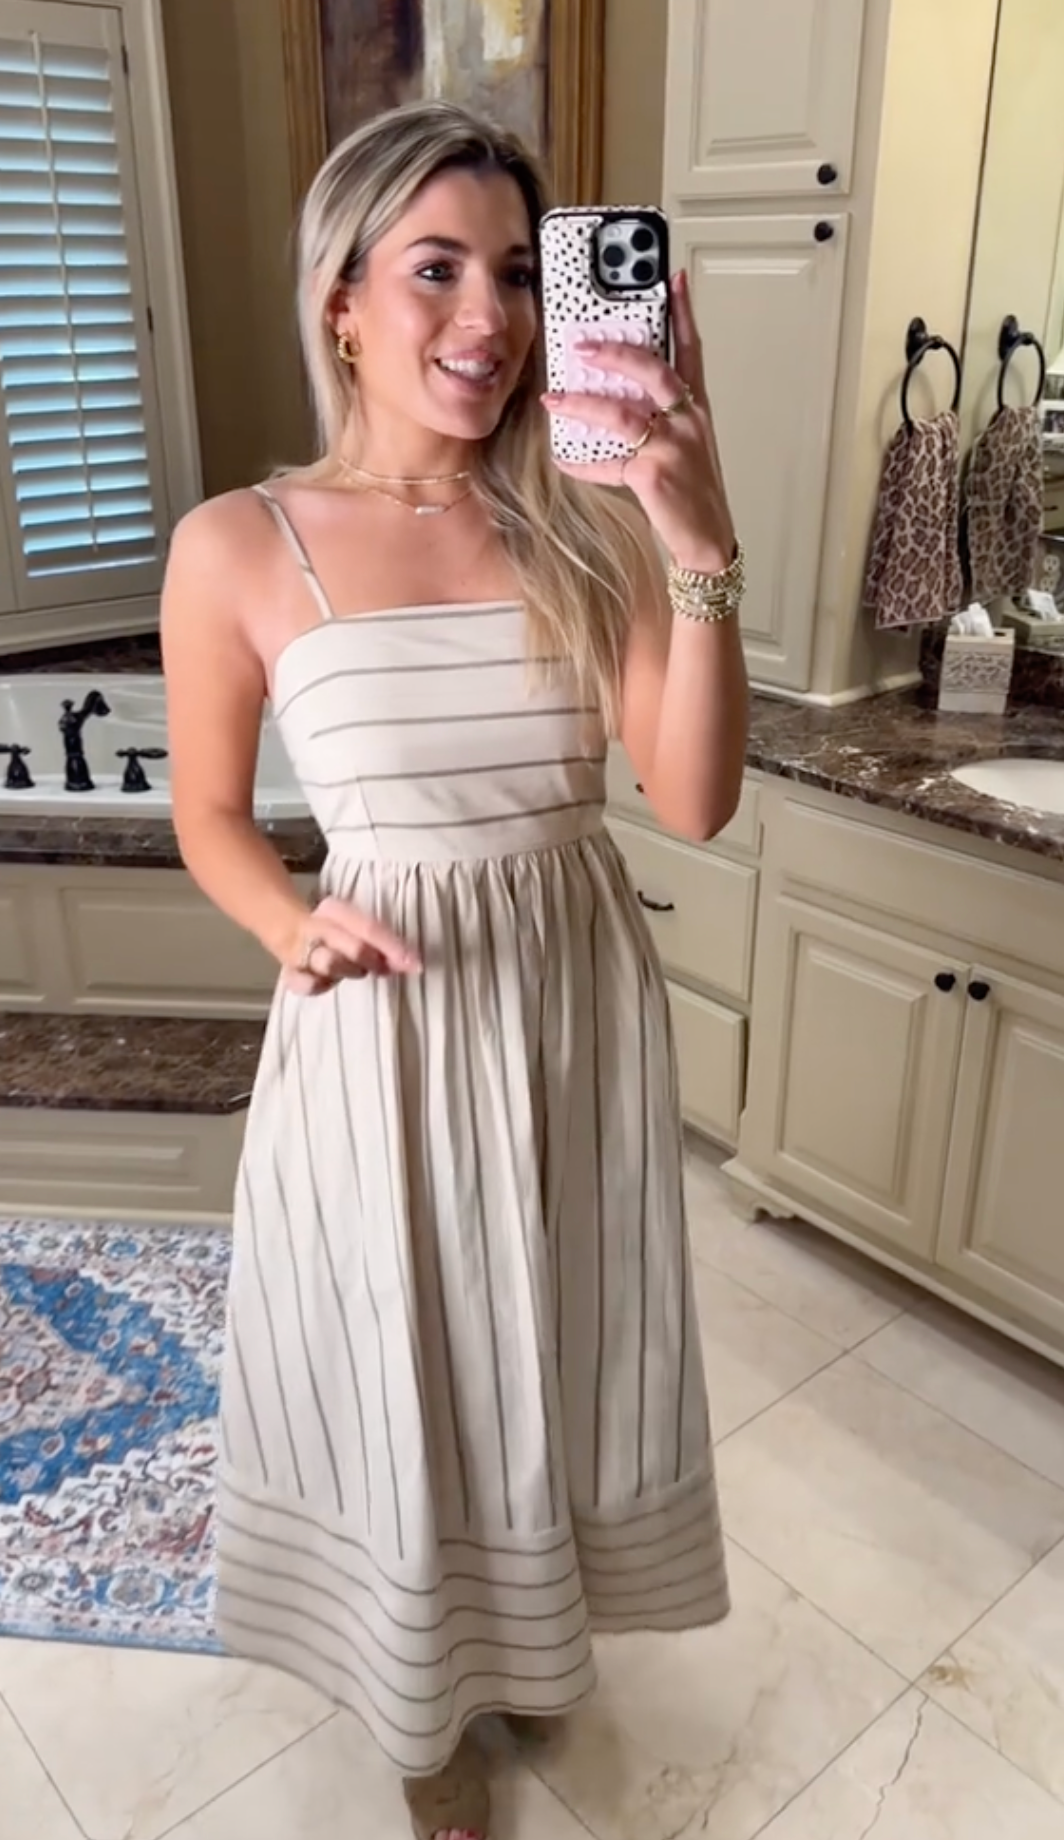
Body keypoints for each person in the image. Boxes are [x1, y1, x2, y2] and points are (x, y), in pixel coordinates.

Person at [162, 99, 747, 1840]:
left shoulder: (583, 518)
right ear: (342, 299)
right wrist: (289, 922)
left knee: (556, 1335)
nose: (488, 317)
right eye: (435, 270)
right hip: (386, 1024)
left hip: (572, 1010)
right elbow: (208, 813)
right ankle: (424, 1700)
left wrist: (700, 544)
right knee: (408, 1361)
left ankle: (532, 1624)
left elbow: (693, 802)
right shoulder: (239, 544)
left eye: (515, 272)